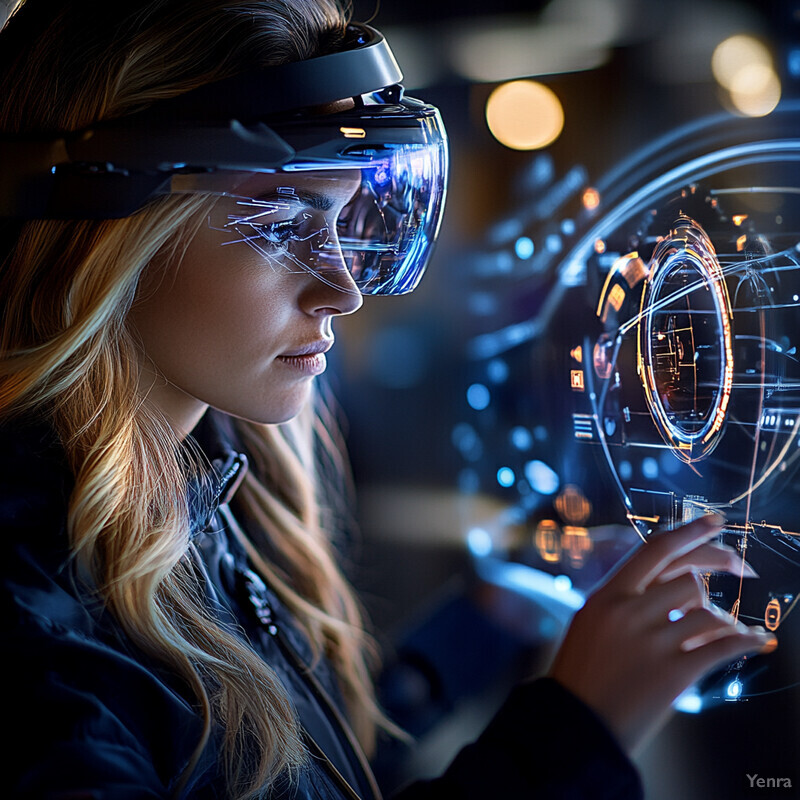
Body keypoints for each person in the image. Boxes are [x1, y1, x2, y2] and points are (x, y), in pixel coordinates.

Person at [0, 1, 776, 798]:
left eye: (344, 216)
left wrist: (489, 615)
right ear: (101, 229)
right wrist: (578, 731)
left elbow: (308, 771)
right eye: (277, 222)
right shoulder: (28, 619)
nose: (342, 288)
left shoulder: (208, 491)